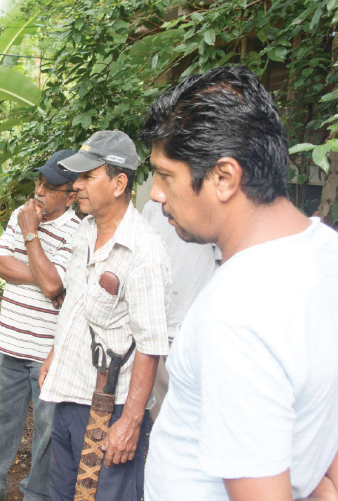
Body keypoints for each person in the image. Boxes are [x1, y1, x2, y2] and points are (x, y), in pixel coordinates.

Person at [142, 65, 338, 500]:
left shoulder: (235, 315)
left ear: (224, 178)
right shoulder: (326, 252)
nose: (156, 194)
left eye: (165, 175)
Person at [39, 130, 172, 500]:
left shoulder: (142, 252)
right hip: (71, 393)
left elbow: (150, 345)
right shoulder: (85, 230)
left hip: (108, 410)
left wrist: (129, 422)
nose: (76, 185)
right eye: (76, 177)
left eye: (87, 176)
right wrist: (55, 354)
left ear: (119, 183)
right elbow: (75, 305)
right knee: (64, 493)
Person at [0, 150, 82, 501]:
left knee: (46, 432)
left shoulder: (79, 232)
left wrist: (31, 236)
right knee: (1, 421)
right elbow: (0, 265)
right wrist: (46, 277)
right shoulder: (20, 215)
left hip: (47, 351)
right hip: (11, 342)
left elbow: (56, 285)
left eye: (51, 187)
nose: (40, 191)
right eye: (39, 182)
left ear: (72, 196)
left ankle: (36, 495)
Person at [141, 200, 220, 421]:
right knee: (159, 419)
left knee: (191, 418)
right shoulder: (151, 208)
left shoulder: (210, 210)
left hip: (192, 337)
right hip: (156, 334)